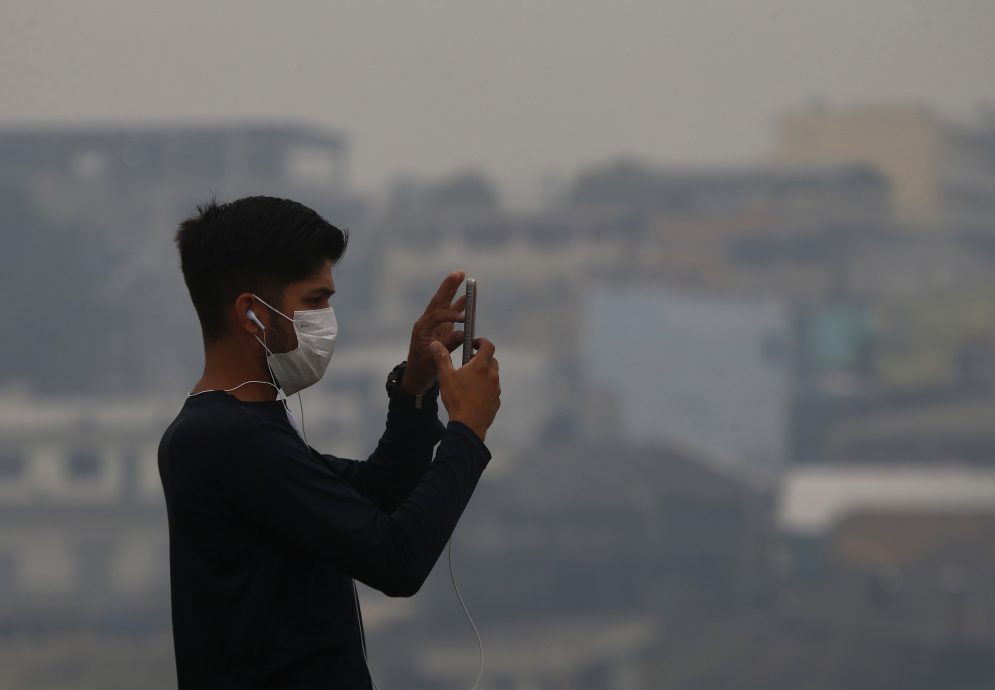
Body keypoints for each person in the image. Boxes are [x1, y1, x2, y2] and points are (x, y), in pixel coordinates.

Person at [158, 195, 501, 689]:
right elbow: (395, 559)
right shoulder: (233, 440)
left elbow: (375, 493)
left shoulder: (234, 430)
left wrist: (415, 390)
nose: (326, 318)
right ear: (251, 314)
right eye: (315, 301)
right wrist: (467, 432)